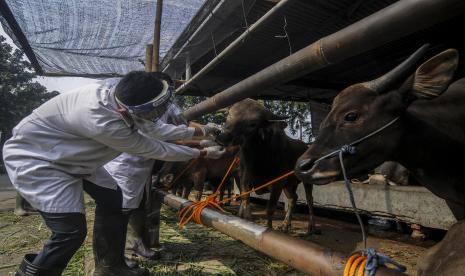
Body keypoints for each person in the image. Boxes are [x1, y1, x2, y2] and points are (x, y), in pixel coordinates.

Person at [2, 71, 225, 276]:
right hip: (41, 159)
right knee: (69, 232)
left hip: (75, 157)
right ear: (124, 110)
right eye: (154, 111)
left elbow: (152, 127)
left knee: (114, 201)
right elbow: (156, 147)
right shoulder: (101, 119)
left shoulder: (119, 96)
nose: (158, 115)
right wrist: (202, 152)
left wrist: (201, 129)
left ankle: (111, 267)